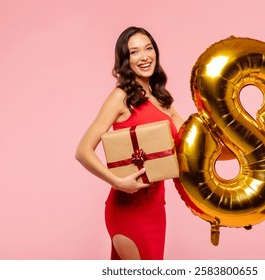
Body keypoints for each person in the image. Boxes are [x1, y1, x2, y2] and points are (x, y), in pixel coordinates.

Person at [75, 26, 184, 260]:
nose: (144, 56)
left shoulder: (162, 98)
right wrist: (117, 181)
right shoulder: (120, 97)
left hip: (156, 209)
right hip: (128, 210)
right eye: (134, 52)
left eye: (148, 48)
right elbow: (83, 150)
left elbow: (190, 141)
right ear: (125, 60)